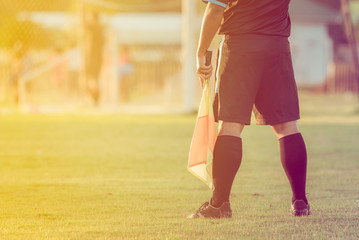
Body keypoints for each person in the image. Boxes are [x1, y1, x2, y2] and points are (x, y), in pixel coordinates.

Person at [188, 0, 310, 218]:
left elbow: (215, 8)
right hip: (277, 45)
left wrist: (200, 53)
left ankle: (219, 205)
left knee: (231, 125)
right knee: (287, 126)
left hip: (240, 45)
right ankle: (300, 202)